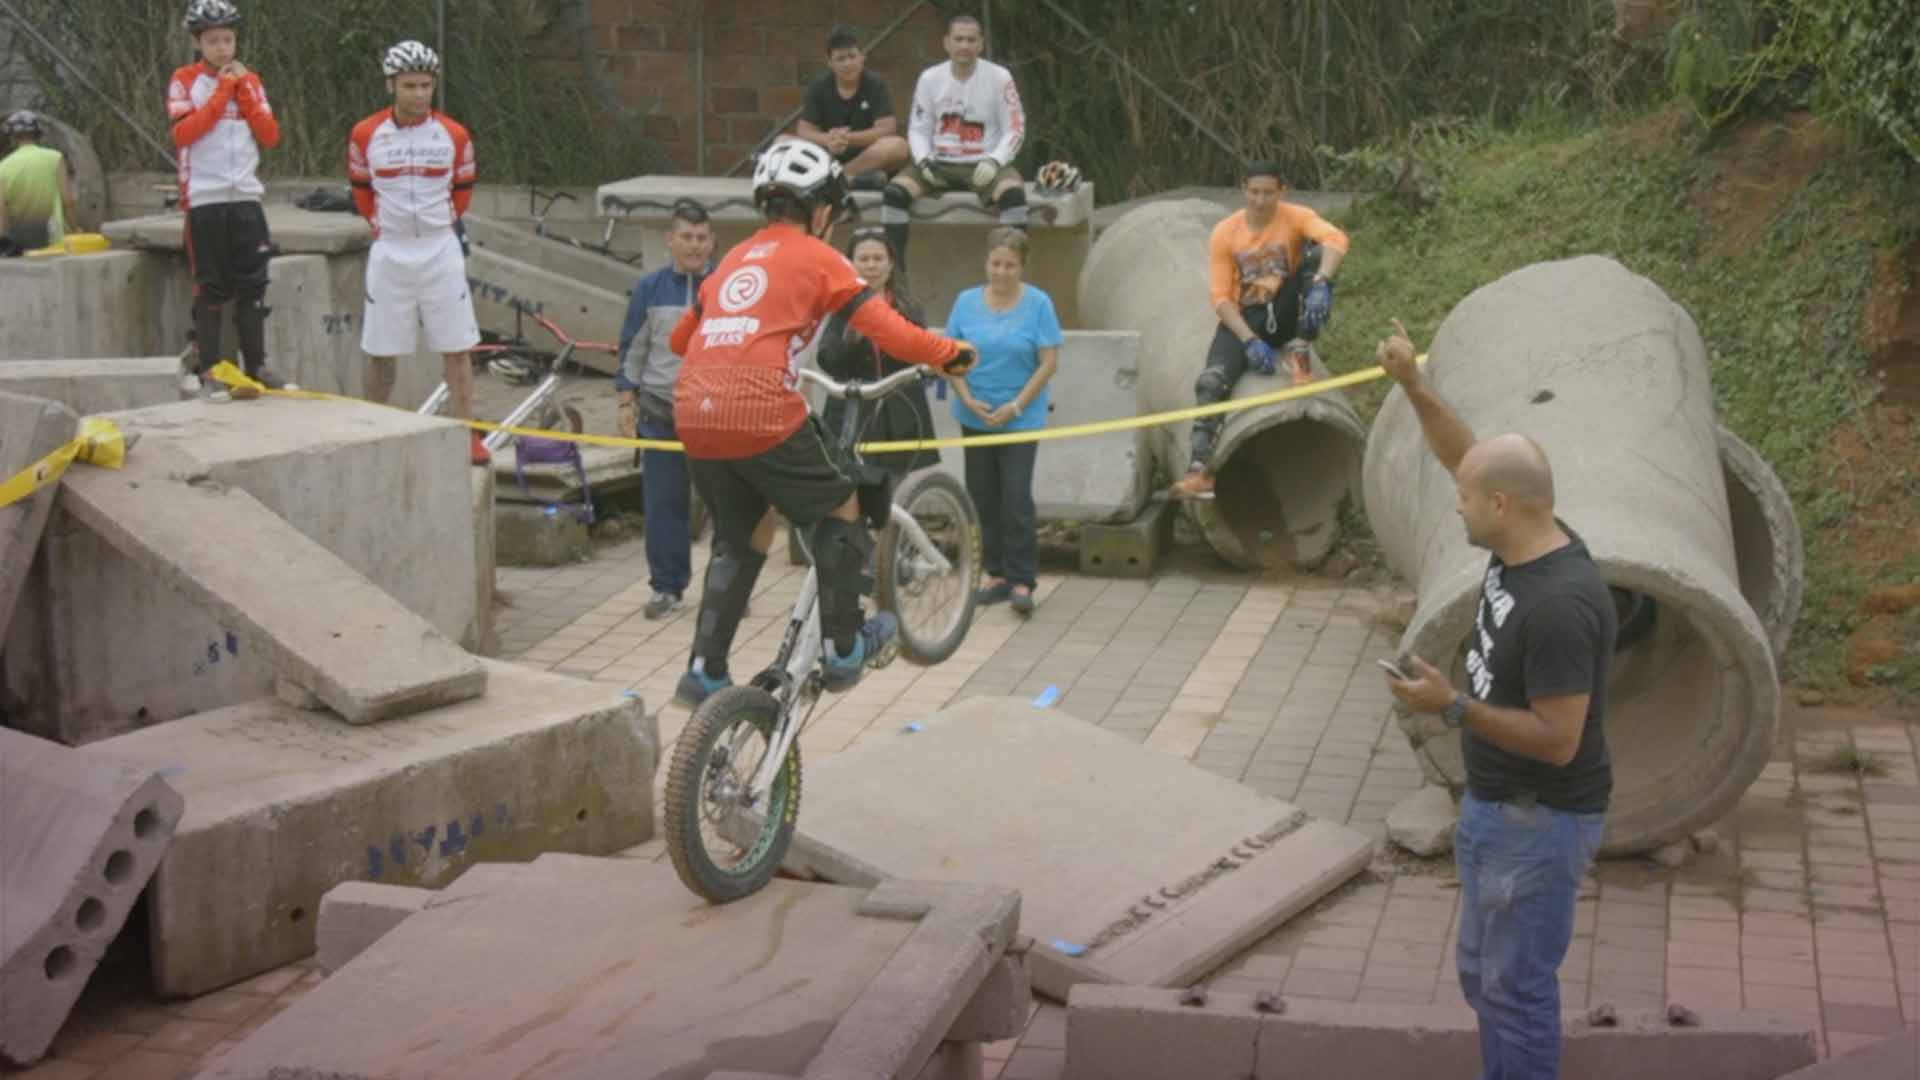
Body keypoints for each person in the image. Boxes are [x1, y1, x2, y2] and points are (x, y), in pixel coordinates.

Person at [1374, 318, 1614, 1079]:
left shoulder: (1559, 607)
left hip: (1536, 823)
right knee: (1487, 978)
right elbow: (1465, 458)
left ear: (1504, 506)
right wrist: (1413, 383)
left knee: (1516, 989)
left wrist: (1452, 708)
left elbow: (1559, 738)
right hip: (1494, 807)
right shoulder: (1531, 532)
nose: (1457, 508)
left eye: (1468, 501)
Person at [668, 140, 975, 707]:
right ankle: (844, 647)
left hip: (694, 411)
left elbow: (679, 340)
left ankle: (704, 669)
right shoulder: (818, 255)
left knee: (745, 536)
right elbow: (889, 330)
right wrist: (948, 351)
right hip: (761, 408)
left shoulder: (732, 260)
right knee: (843, 505)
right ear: (820, 208)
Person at [1169, 160, 1349, 500]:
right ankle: (1199, 471)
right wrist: (1249, 340)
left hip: (1287, 311)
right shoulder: (1226, 232)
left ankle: (1300, 349)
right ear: (1243, 190)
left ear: (1282, 192)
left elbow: (1336, 238)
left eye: (1268, 193)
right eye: (1253, 192)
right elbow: (1220, 297)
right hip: (1246, 318)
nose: (1260, 200)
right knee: (1209, 383)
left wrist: (1322, 282)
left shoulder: (1295, 217)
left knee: (1315, 257)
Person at [348, 40, 490, 466]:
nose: (419, 94)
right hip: (390, 250)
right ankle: (375, 429)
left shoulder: (455, 135)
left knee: (457, 345)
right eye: (409, 85)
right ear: (392, 84)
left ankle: (465, 433)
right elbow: (361, 193)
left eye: (426, 85)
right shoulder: (365, 133)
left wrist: (436, 227)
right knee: (380, 346)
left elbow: (462, 195)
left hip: (438, 248)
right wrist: (384, 228)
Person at [167, 0, 288, 401]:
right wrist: (222, 91)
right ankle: (212, 370)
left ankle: (256, 365)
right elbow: (185, 134)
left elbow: (270, 136)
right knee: (212, 287)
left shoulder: (250, 80)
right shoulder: (185, 80)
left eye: (228, 40)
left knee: (253, 285)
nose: (222, 48)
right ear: (198, 42)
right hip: (205, 198)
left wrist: (245, 93)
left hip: (246, 197)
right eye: (213, 41)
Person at [947, 227, 1059, 616]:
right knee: (982, 496)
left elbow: (1048, 362)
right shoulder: (965, 302)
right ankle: (995, 574)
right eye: (996, 263)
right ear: (986, 263)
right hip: (974, 414)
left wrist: (1015, 406)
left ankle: (1022, 578)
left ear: (1022, 267)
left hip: (1020, 417)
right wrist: (967, 399)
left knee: (1016, 497)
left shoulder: (1039, 304)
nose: (1001, 272)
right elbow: (951, 358)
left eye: (1010, 265)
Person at [616, 200, 715, 619]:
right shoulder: (649, 289)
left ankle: (727, 589)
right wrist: (625, 398)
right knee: (663, 504)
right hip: (660, 412)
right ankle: (667, 587)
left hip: (715, 413)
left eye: (702, 238)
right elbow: (631, 348)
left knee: (728, 506)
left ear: (713, 242)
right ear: (670, 240)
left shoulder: (729, 287)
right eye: (686, 237)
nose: (694, 246)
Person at [880, 13, 1026, 268]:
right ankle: (895, 277)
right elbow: (918, 129)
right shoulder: (930, 78)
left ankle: (1012, 272)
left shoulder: (999, 77)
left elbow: (1015, 128)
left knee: (1013, 195)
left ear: (981, 44)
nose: (964, 46)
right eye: (958, 39)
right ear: (946, 42)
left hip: (986, 164)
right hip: (939, 164)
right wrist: (924, 161)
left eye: (971, 40)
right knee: (894, 194)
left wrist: (995, 160)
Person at [815, 227, 940, 480]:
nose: (871, 266)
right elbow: (827, 361)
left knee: (891, 493)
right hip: (853, 414)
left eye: (878, 259)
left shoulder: (908, 307)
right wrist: (851, 339)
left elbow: (922, 357)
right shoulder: (841, 305)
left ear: (891, 264)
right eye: (863, 259)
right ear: (850, 264)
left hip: (899, 414)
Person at [795, 27, 911, 192]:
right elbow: (805, 130)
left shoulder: (875, 84)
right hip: (828, 155)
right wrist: (828, 139)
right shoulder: (818, 86)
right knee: (782, 142)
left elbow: (887, 128)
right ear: (830, 62)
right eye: (840, 59)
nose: (848, 63)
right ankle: (849, 181)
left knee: (898, 146)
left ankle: (837, 179)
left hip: (867, 157)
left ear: (862, 57)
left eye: (852, 56)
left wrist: (848, 138)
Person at [0, 111, 78, 256]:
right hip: (53, 240)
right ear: (39, 134)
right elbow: (68, 201)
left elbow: (2, 209)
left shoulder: (3, 166)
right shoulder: (55, 158)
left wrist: (3, 241)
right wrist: (76, 230)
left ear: (13, 137)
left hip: (19, 244)